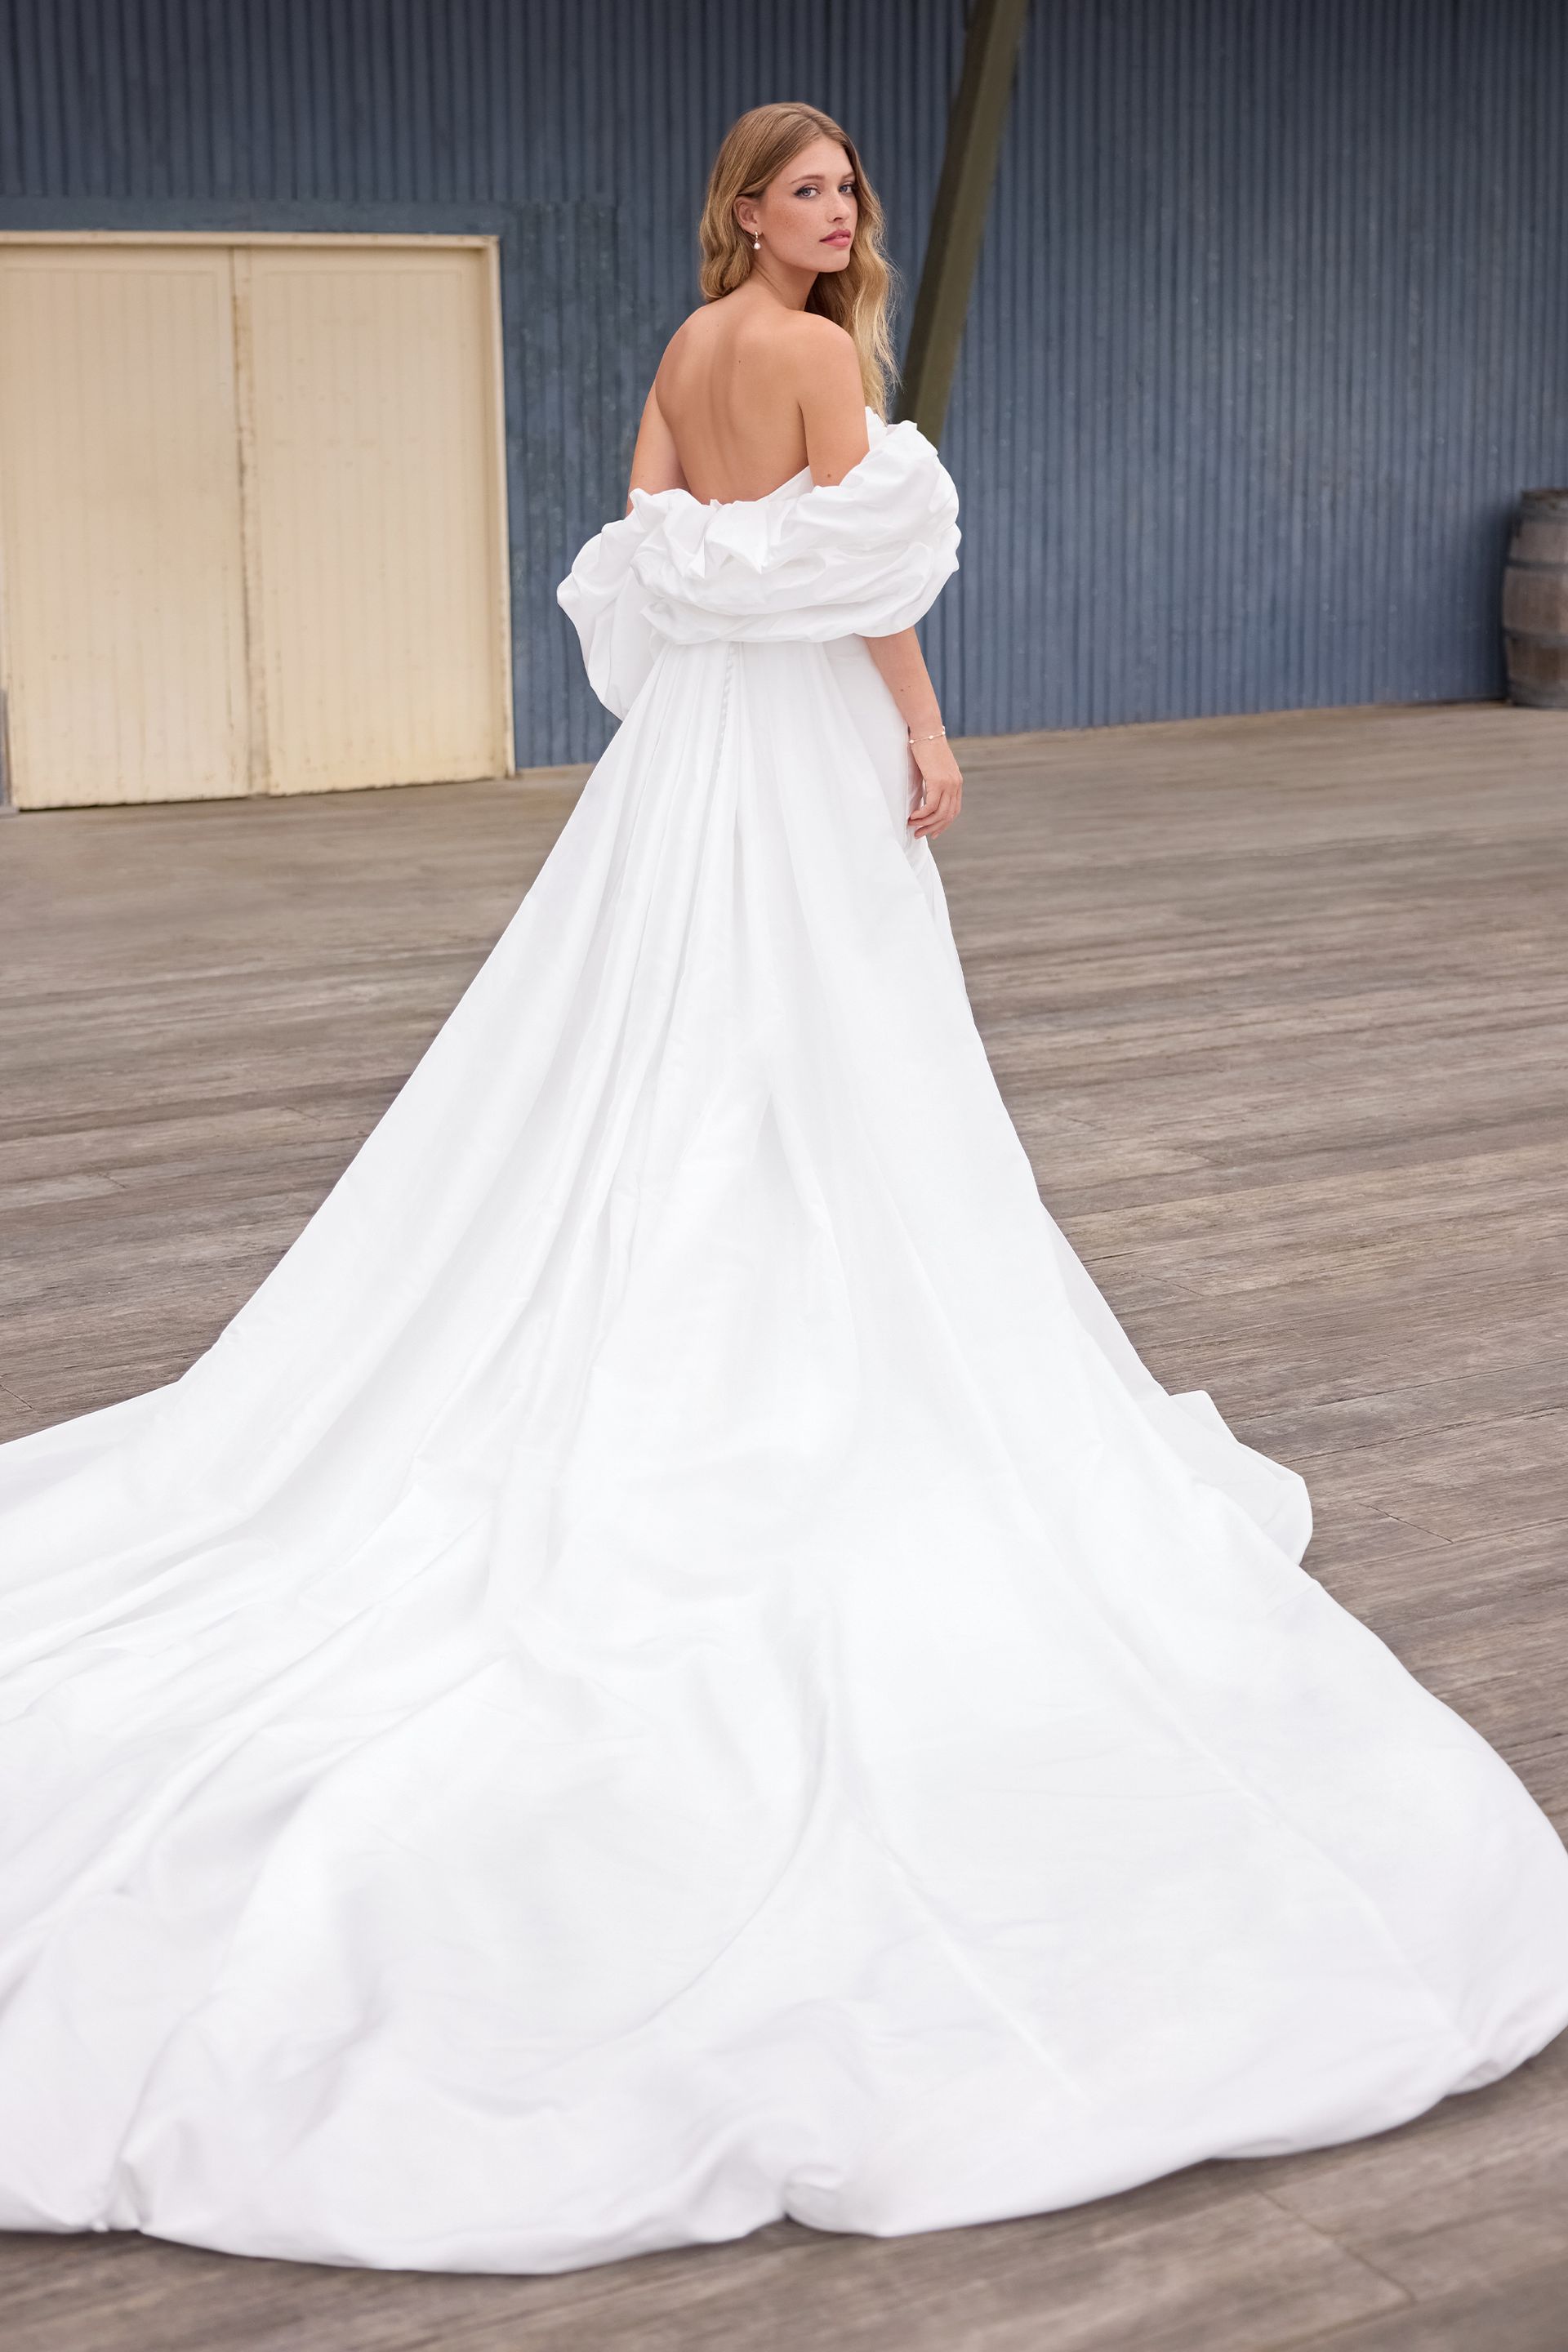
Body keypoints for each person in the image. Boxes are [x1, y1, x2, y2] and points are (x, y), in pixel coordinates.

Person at [0, 100, 1565, 2278]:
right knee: (832, 1037)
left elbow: (657, 557)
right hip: (800, 745)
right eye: (807, 189)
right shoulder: (818, 356)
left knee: (659, 1033)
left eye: (848, 192)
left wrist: (774, 614)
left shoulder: (684, 349)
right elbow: (869, 592)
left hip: (681, 768)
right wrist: (926, 729)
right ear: (748, 211)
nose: (838, 214)